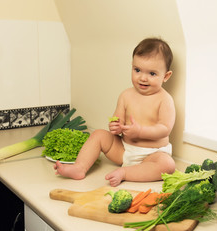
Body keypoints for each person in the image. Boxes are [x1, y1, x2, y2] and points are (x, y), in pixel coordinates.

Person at [54, 38, 176, 187]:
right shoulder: (126, 95)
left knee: (168, 165)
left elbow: (164, 129)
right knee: (99, 134)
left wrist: (140, 131)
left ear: (166, 76)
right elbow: (116, 118)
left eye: (152, 73)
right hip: (124, 149)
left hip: (152, 155)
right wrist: (115, 125)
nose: (143, 78)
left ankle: (126, 173)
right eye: (137, 70)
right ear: (131, 67)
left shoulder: (165, 100)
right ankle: (80, 167)